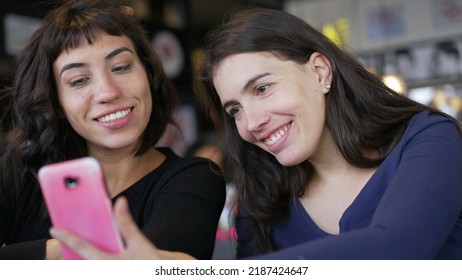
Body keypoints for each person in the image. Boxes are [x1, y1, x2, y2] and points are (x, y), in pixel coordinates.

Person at [45, 7, 462, 260]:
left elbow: (394, 249)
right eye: (235, 110)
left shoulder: (427, 140)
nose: (252, 122)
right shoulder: (263, 199)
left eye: (262, 88)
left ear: (319, 71)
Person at [0, 0, 226, 260]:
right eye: (79, 81)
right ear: (57, 103)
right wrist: (58, 249)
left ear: (149, 75)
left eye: (120, 67)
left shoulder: (193, 179)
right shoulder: (19, 174)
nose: (108, 92)